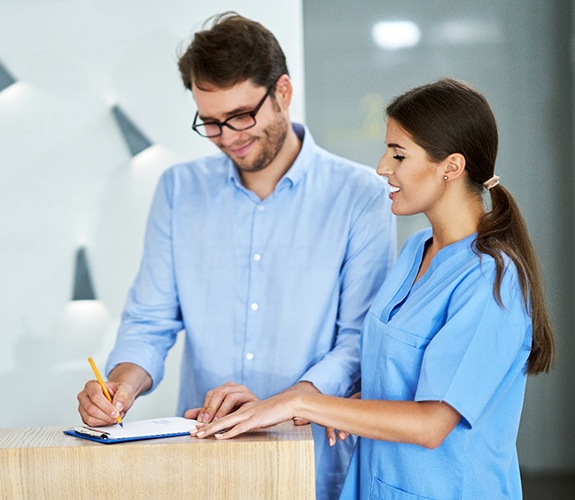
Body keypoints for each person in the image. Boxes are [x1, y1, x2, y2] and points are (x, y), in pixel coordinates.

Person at [77, 12, 396, 500]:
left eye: (242, 115)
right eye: (210, 122)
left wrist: (279, 405)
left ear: (283, 92)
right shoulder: (178, 190)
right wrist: (120, 385)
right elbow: (150, 321)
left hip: (313, 462)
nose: (228, 136)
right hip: (201, 463)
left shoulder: (361, 196)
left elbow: (358, 341)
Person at [190, 78, 556, 499]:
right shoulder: (415, 250)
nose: (383, 167)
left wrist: (299, 402)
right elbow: (394, 382)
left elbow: (432, 423)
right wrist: (277, 409)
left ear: (451, 167)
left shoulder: (493, 280)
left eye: (398, 154)